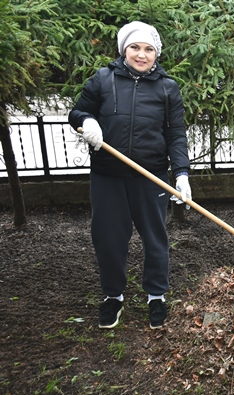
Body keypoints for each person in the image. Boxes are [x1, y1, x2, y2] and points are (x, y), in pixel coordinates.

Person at [69, 21, 191, 329]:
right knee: (108, 238)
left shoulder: (167, 88)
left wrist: (181, 173)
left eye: (148, 49)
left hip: (150, 177)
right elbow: (77, 112)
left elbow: (176, 134)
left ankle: (156, 296)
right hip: (107, 176)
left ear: (156, 53)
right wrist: (87, 122)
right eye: (135, 47)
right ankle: (113, 296)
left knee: (155, 238)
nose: (141, 54)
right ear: (124, 50)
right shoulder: (103, 79)